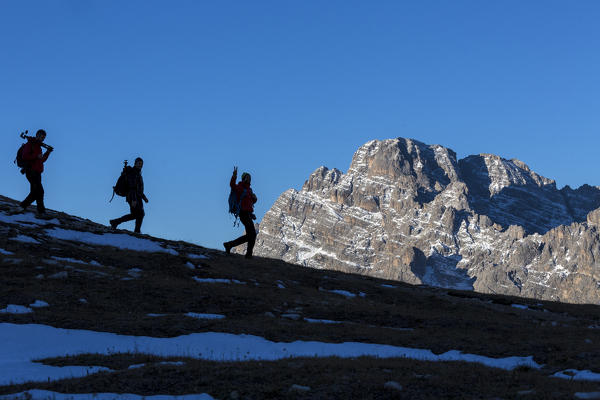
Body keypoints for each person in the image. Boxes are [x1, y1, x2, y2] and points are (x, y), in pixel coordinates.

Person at [224, 167, 258, 259]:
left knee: (251, 235)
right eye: (247, 177)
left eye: (250, 177)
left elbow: (250, 202)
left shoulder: (249, 190)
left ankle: (230, 245)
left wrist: (254, 199)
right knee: (252, 234)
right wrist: (234, 176)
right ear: (243, 178)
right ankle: (248, 254)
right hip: (243, 213)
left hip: (248, 214)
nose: (249, 179)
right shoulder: (240, 187)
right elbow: (232, 185)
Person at [18, 129, 53, 216]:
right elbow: (25, 156)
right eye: (41, 136)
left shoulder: (39, 147)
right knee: (39, 191)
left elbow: (41, 160)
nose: (42, 139)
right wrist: (36, 156)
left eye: (44, 137)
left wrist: (48, 152)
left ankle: (24, 207)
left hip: (37, 172)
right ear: (37, 135)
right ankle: (39, 211)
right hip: (30, 171)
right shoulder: (30, 144)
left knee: (36, 192)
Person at [109, 157, 148, 233]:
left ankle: (115, 222)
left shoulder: (138, 173)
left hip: (137, 197)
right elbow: (132, 187)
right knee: (139, 213)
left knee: (136, 214)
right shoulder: (133, 173)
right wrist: (133, 199)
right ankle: (136, 231)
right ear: (135, 163)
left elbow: (138, 188)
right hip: (133, 196)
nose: (140, 165)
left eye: (141, 164)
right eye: (139, 163)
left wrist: (144, 197)